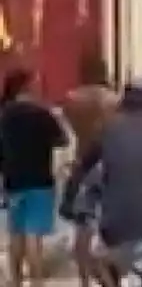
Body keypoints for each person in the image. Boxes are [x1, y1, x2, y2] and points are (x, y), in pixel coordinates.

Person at [65, 79, 142, 287]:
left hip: (121, 234)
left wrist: (68, 202)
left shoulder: (107, 130)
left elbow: (82, 169)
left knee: (97, 259)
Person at [0, 68, 68, 287]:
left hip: (13, 180)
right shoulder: (42, 113)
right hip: (40, 181)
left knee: (15, 234)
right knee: (33, 236)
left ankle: (15, 280)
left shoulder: (4, 114)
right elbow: (62, 140)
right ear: (27, 87)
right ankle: (37, 282)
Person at [62, 56, 118, 287]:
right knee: (108, 224)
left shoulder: (71, 99)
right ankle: (110, 275)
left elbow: (70, 130)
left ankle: (84, 280)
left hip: (81, 163)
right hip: (107, 164)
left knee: (82, 227)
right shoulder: (113, 100)